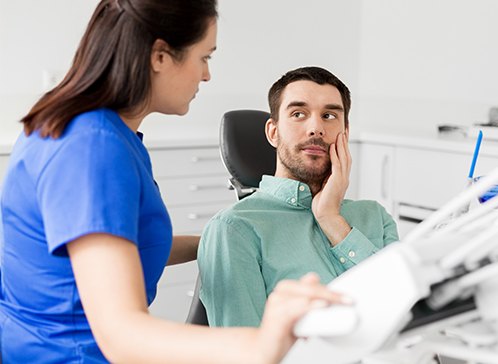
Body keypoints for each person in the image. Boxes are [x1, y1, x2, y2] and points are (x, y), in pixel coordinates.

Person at [0, 2, 348, 363]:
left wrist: (229, 239)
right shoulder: (92, 149)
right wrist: (261, 343)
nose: (206, 75)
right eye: (204, 57)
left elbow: (119, 249)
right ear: (160, 56)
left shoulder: (99, 131)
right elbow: (122, 335)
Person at [198, 66, 399, 327]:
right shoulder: (235, 229)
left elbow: (405, 310)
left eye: (329, 115)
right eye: (298, 114)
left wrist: (331, 219)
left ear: (345, 134)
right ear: (273, 132)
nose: (316, 128)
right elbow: (243, 350)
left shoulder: (375, 216)